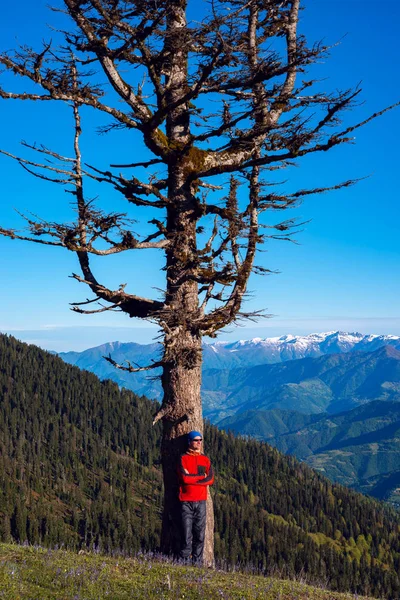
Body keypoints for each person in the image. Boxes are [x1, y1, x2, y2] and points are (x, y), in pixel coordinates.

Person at [177, 430, 214, 564]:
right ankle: (184, 562)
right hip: (186, 501)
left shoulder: (205, 459)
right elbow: (184, 478)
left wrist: (192, 477)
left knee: (200, 535)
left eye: (200, 440)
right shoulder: (183, 458)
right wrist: (200, 477)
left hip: (201, 502)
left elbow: (210, 479)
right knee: (186, 534)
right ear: (189, 442)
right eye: (196, 440)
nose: (199, 443)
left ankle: (197, 564)